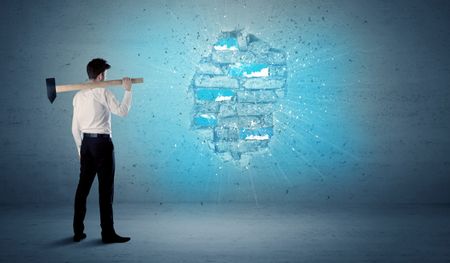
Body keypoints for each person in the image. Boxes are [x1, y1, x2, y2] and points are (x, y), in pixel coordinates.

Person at [71, 58, 132, 243]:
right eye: (105, 74)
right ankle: (107, 234)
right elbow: (122, 111)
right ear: (100, 75)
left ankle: (78, 232)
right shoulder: (103, 92)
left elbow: (74, 128)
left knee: (82, 188)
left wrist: (80, 149)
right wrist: (128, 91)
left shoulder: (78, 95)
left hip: (86, 144)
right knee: (105, 191)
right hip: (103, 145)